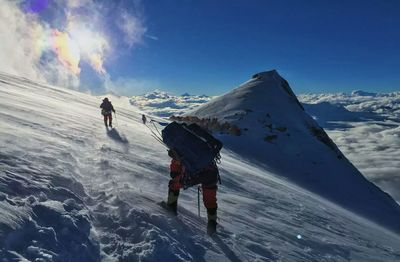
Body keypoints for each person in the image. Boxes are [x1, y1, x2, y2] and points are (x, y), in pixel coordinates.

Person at [165, 149, 219, 235]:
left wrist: (176, 175)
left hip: (194, 174)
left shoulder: (180, 149)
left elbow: (174, 173)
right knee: (210, 199)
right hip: (211, 172)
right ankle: (212, 226)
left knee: (173, 184)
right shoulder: (198, 146)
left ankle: (171, 208)